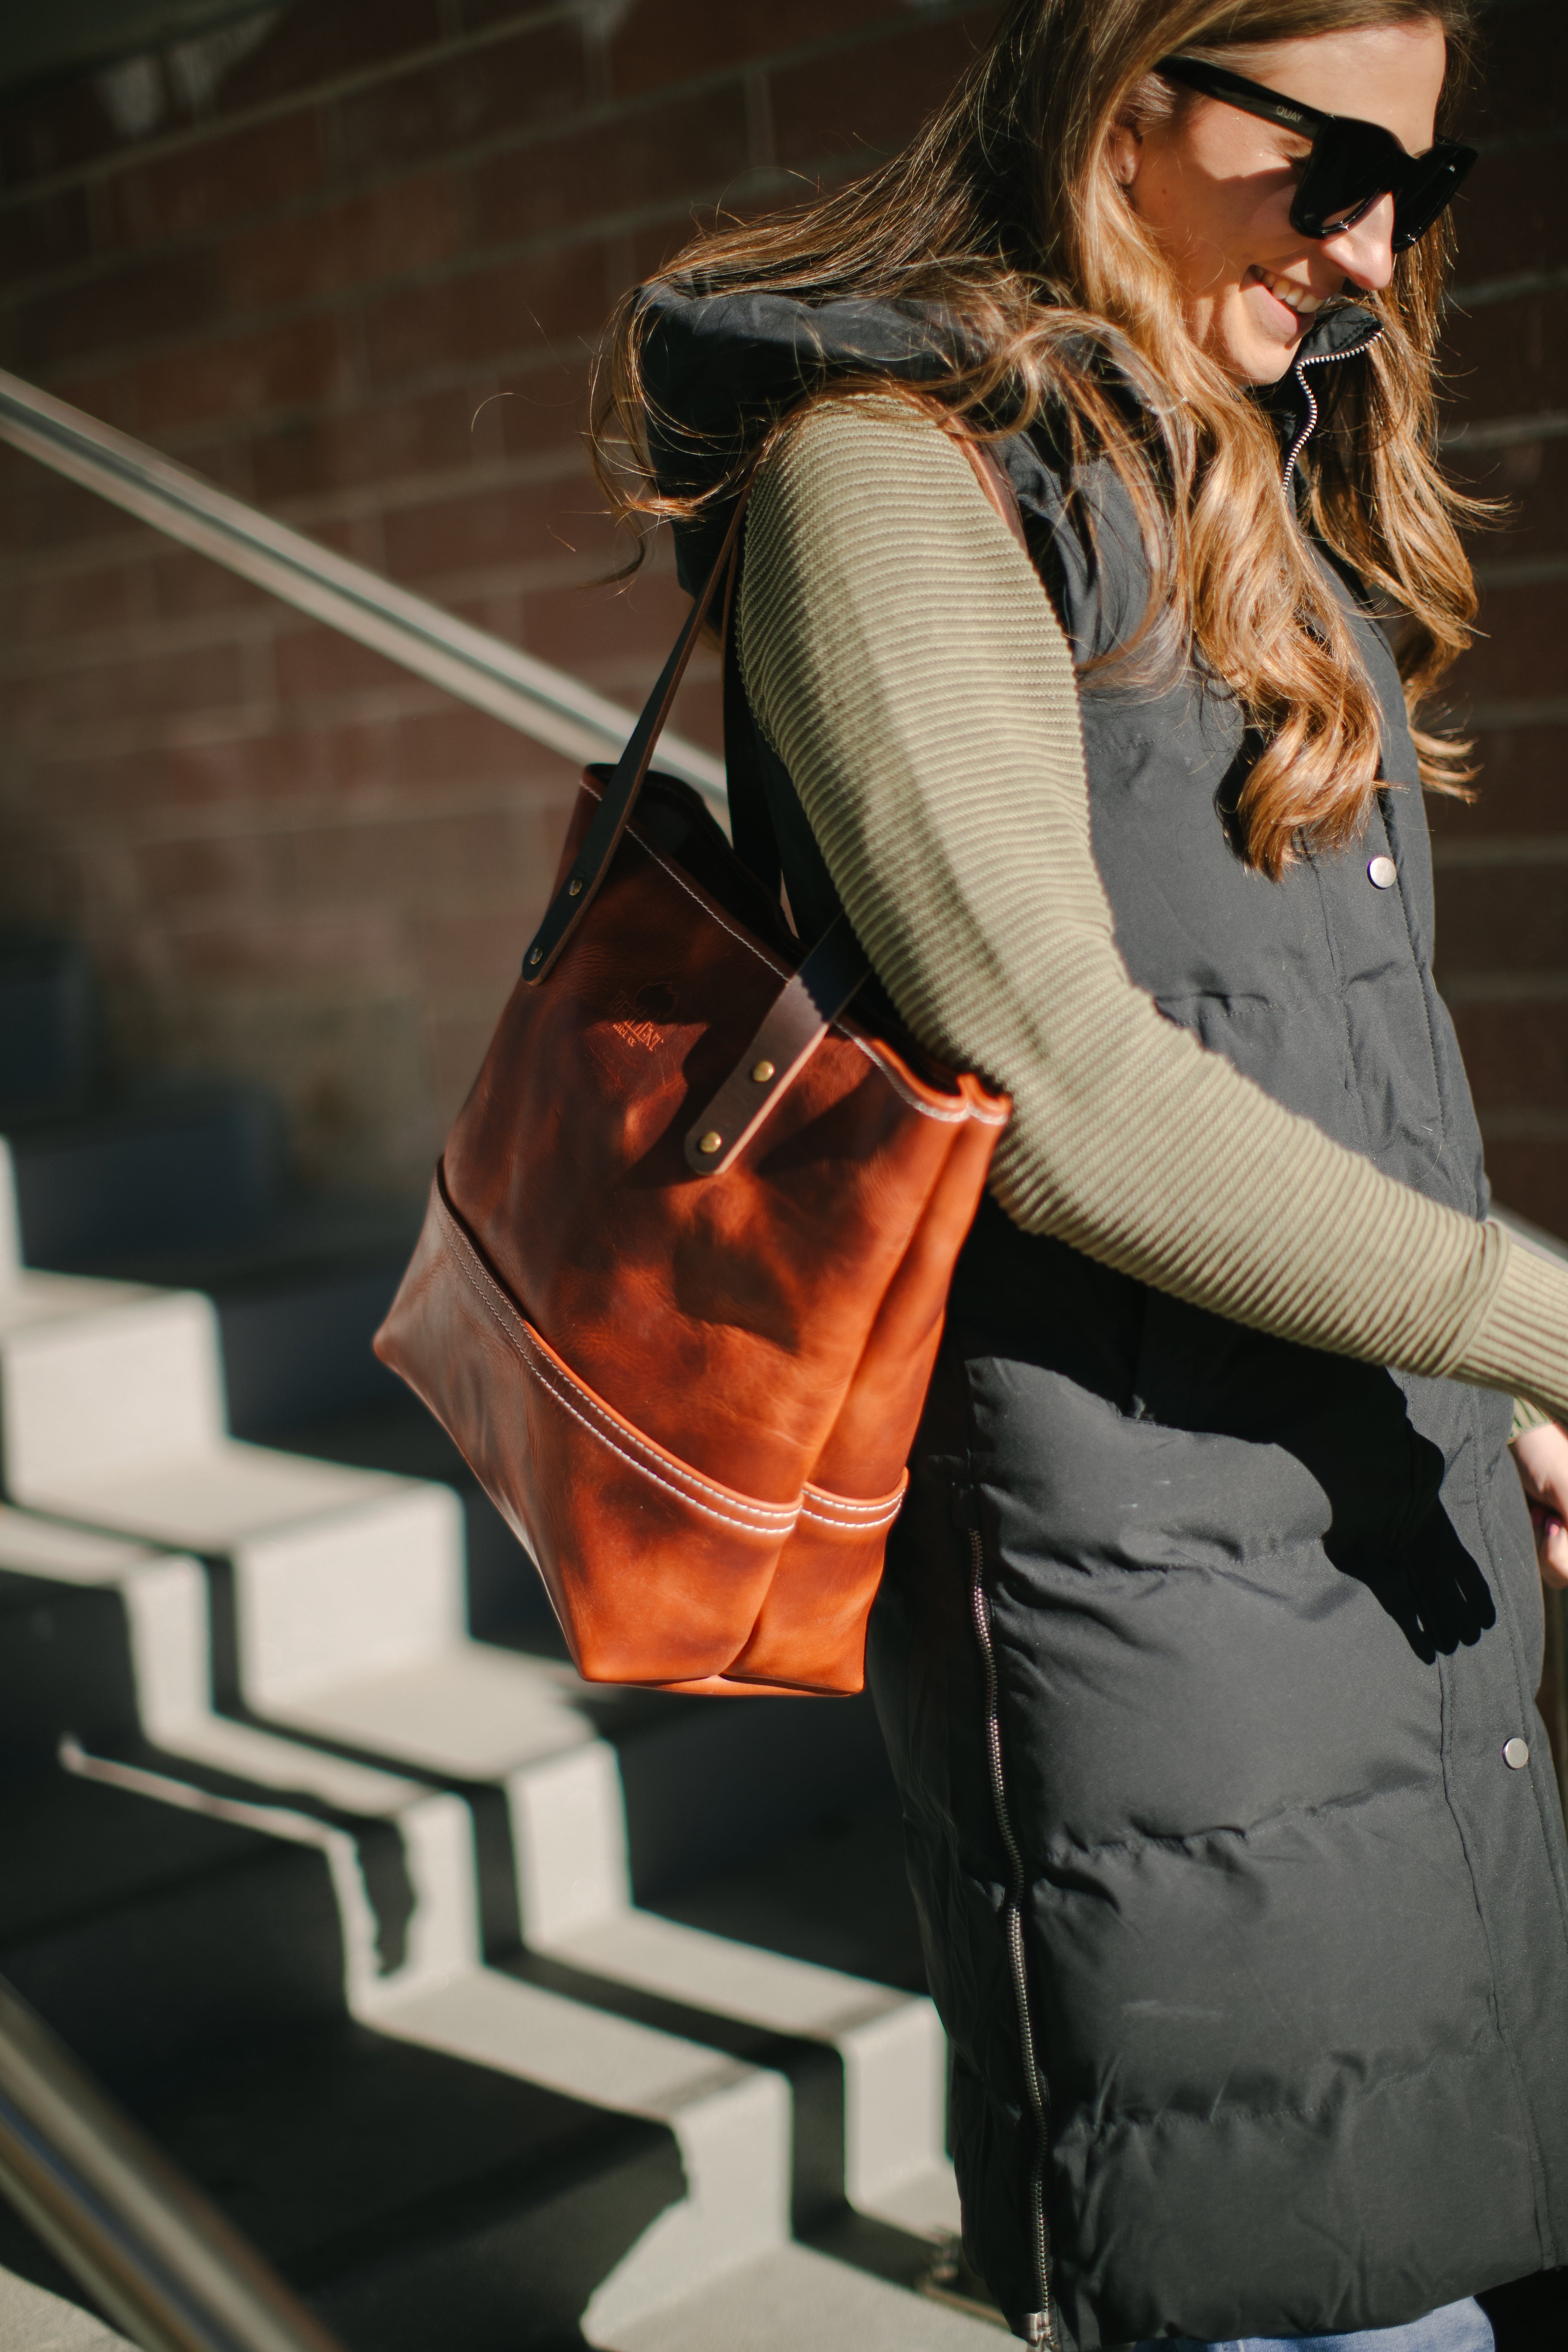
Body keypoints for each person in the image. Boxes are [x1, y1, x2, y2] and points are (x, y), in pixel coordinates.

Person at [590, 3, 1568, 2345]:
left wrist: (1489, 1401)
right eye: (1322, 162)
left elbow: (1325, 1085)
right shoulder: (890, 472)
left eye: (1409, 193)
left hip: (1371, 1544)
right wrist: (1548, 1325)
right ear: (1116, 92)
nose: (1363, 247)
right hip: (1146, 1616)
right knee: (1318, 2294)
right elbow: (1069, 1089)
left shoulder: (1233, 483)